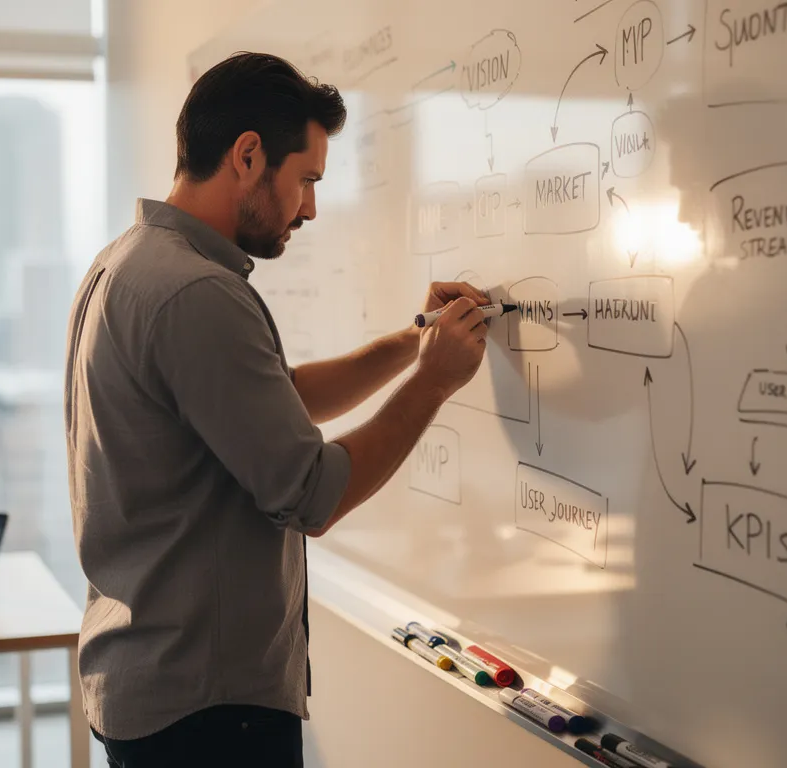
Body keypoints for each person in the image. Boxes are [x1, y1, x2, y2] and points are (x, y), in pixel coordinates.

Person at [65, 51, 490, 767]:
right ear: (249, 155)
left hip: (154, 686)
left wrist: (411, 344)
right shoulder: (197, 294)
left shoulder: (129, 264)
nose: (312, 208)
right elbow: (313, 494)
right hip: (205, 710)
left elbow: (271, 401)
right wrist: (433, 385)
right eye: (307, 180)